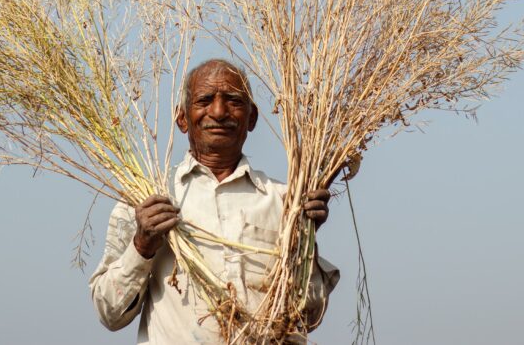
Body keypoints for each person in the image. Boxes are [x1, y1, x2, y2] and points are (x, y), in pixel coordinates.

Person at [90, 59, 339, 343]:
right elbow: (108, 312)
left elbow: (309, 316)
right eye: (205, 100)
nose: (219, 112)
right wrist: (142, 245)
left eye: (233, 100)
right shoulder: (148, 199)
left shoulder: (284, 201)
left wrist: (303, 241)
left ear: (252, 117)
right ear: (182, 118)